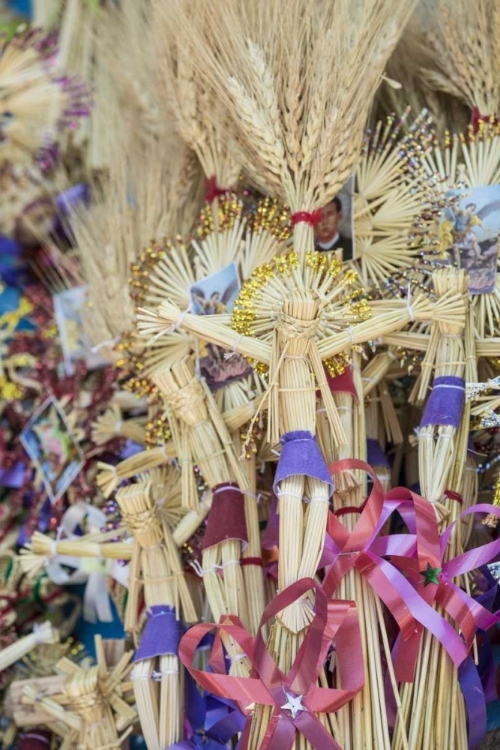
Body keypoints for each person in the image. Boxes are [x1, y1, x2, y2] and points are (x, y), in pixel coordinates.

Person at [314, 196, 353, 260]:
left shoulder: (350, 247)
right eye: (319, 216)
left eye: (329, 214)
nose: (324, 221)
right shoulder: (310, 251)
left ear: (339, 216)